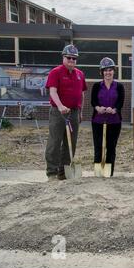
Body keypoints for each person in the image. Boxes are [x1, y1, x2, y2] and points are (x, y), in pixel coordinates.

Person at [45, 44, 87, 181]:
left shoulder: (80, 74)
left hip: (74, 113)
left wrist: (80, 110)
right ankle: (52, 172)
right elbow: (52, 91)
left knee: (71, 143)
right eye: (69, 57)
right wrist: (60, 106)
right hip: (58, 112)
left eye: (74, 58)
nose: (71, 61)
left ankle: (63, 172)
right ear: (63, 57)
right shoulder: (55, 72)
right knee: (55, 141)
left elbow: (81, 94)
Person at [91, 57, 125, 177]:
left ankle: (109, 173)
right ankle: (98, 172)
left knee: (111, 147)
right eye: (105, 70)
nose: (108, 72)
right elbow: (93, 101)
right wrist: (98, 108)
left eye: (110, 70)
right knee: (98, 146)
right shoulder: (96, 86)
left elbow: (121, 102)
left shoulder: (119, 86)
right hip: (98, 121)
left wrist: (114, 109)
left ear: (114, 71)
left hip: (114, 121)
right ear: (101, 72)